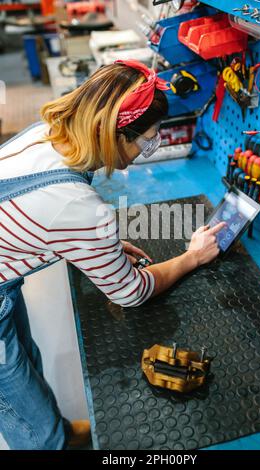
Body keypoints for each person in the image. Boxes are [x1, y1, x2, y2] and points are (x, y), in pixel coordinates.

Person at [0, 60, 224, 449]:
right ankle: (53, 440)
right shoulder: (78, 207)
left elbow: (43, 215)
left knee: (24, 362)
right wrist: (192, 257)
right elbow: (130, 293)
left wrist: (94, 244)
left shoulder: (48, 134)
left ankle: (63, 432)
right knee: (29, 422)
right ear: (115, 134)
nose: (147, 150)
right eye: (148, 139)